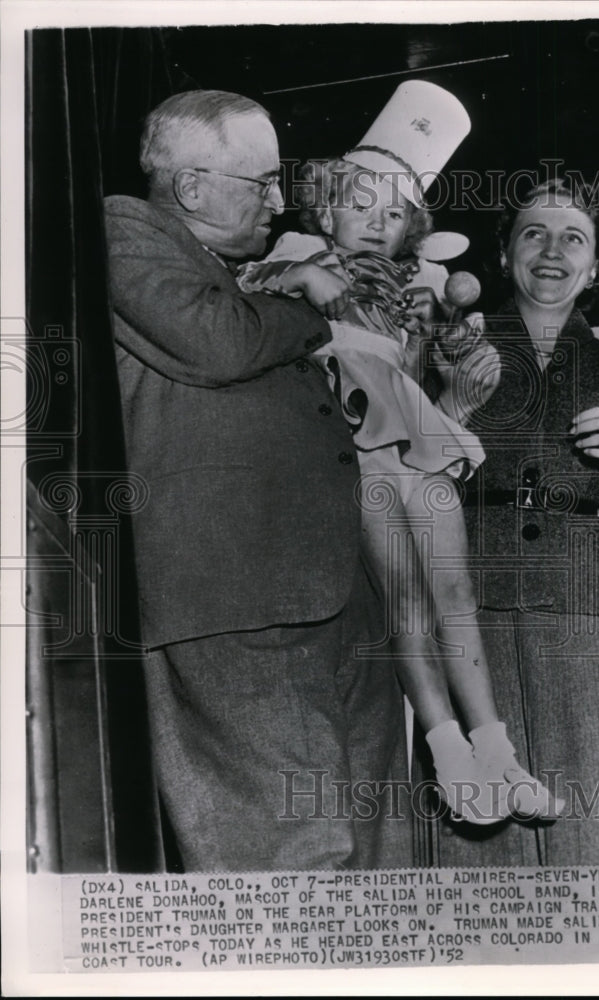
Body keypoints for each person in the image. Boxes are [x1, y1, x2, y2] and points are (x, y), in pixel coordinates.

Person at [238, 81, 561, 825]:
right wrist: (303, 277)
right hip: (352, 440)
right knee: (407, 603)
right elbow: (254, 286)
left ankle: (498, 754)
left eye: (394, 213)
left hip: (417, 433)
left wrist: (443, 334)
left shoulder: (418, 282)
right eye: (361, 204)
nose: (376, 223)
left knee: (455, 597)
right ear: (325, 207)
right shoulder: (295, 249)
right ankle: (448, 756)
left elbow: (430, 358)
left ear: (412, 227)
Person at [103, 89, 409, 871]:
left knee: (377, 867)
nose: (279, 201)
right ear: (192, 186)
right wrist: (309, 298)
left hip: (327, 598)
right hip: (235, 598)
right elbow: (216, 345)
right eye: (261, 183)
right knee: (291, 866)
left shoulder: (231, 267)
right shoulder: (124, 229)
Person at [433, 176, 599, 866]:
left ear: (596, 262)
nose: (552, 251)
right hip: (473, 606)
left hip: (591, 610)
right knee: (481, 849)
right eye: (533, 233)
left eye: (573, 237)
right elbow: (395, 482)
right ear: (505, 254)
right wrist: (452, 410)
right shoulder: (445, 354)